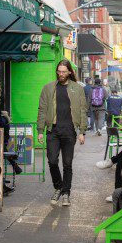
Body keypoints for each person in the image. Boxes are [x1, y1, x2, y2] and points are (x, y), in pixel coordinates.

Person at [37, 60, 87, 207]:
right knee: (52, 161)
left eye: (64, 71)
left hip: (69, 131)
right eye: (59, 71)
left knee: (67, 164)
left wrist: (82, 131)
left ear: (70, 72)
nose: (61, 74)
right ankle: (58, 187)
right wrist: (40, 130)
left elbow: (83, 111)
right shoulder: (48, 88)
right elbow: (42, 109)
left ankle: (66, 193)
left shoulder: (77, 89)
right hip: (53, 131)